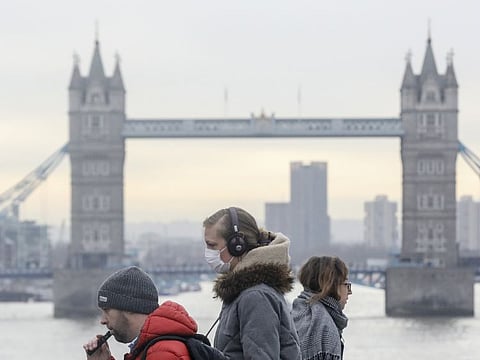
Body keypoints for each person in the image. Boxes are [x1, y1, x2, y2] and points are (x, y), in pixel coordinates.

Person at [203, 206, 302, 360]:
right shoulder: (245, 293)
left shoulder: (256, 297)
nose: (208, 252)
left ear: (237, 245)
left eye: (212, 245)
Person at [83, 266, 198, 360]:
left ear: (128, 306)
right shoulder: (154, 348)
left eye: (106, 310)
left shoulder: (162, 354)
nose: (102, 320)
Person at [291, 256, 352, 360]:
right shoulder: (326, 330)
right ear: (332, 285)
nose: (349, 292)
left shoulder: (295, 313)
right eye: (346, 285)